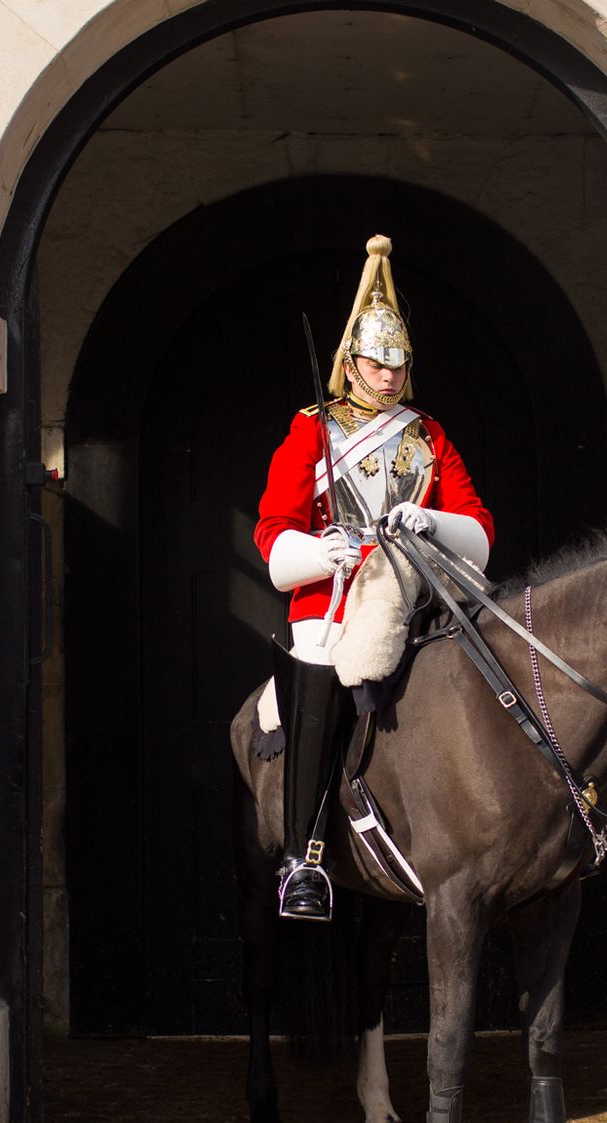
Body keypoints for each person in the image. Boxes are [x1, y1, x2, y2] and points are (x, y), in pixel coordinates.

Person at [252, 234, 494, 920]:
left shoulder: (430, 436)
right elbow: (273, 528)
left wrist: (431, 523)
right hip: (333, 600)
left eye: (398, 365)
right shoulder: (312, 430)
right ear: (350, 364)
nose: (388, 377)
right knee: (318, 674)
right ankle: (304, 857)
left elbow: (477, 524)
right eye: (375, 364)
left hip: (418, 587)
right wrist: (318, 551)